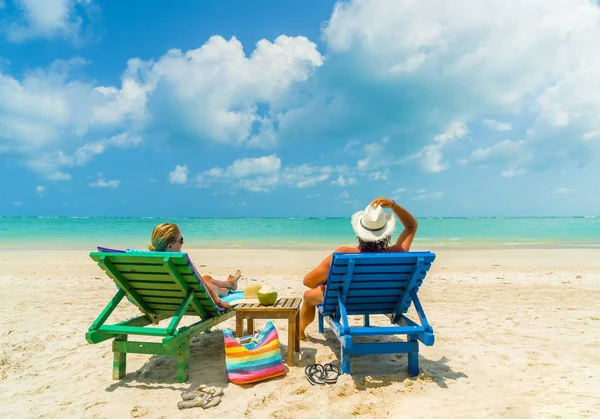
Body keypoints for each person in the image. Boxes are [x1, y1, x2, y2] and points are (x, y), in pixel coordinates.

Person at [299, 197, 418, 339]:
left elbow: (308, 282)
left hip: (345, 302)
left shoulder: (344, 253)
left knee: (308, 296)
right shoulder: (399, 252)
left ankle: (299, 332)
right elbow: (411, 226)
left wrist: (327, 282)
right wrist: (393, 205)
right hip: (386, 301)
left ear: (360, 232)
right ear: (387, 233)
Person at [148, 222, 240, 309]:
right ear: (170, 246)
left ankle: (229, 283)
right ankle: (229, 286)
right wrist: (219, 302)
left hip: (159, 302)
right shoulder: (180, 261)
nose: (182, 243)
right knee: (210, 284)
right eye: (181, 240)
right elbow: (207, 289)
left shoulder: (146, 262)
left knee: (206, 278)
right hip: (188, 300)